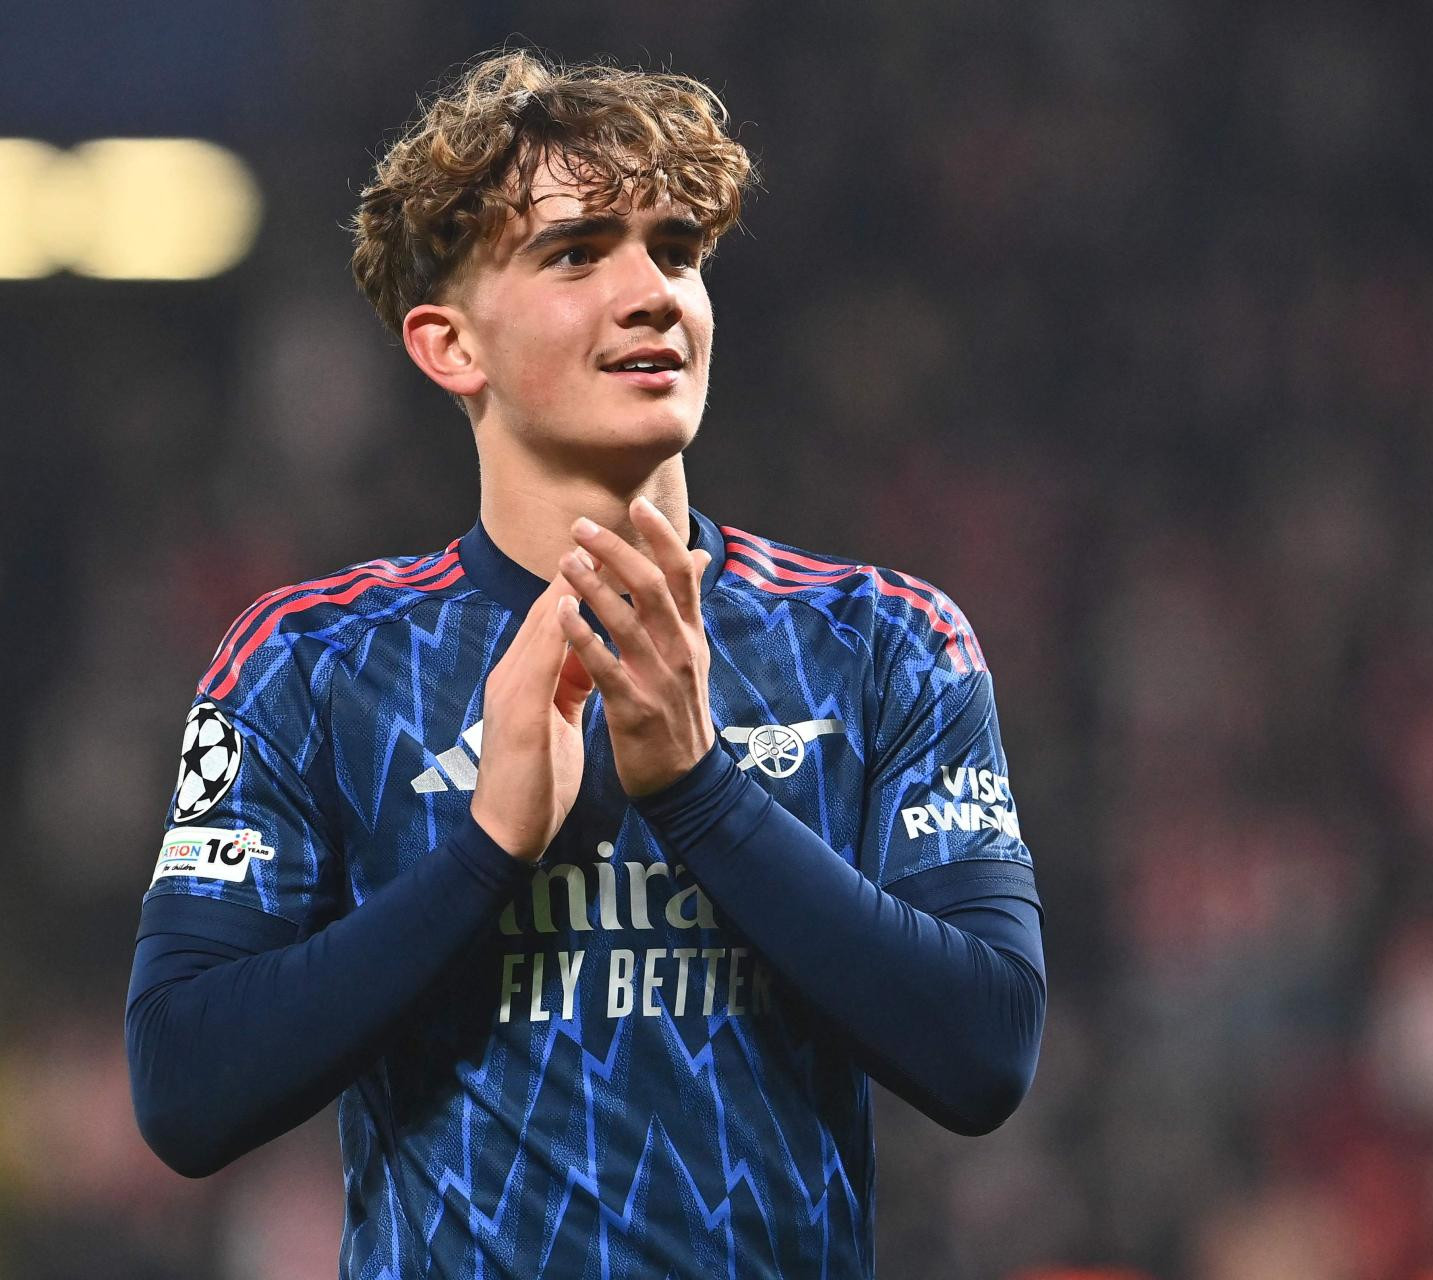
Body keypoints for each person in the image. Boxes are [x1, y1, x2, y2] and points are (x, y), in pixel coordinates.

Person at [126, 49, 1045, 1279]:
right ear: (450, 345)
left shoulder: (885, 640)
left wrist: (701, 792)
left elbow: (987, 1050)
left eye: (677, 250)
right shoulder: (308, 662)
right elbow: (185, 1086)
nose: (652, 292)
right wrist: (486, 849)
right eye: (576, 253)